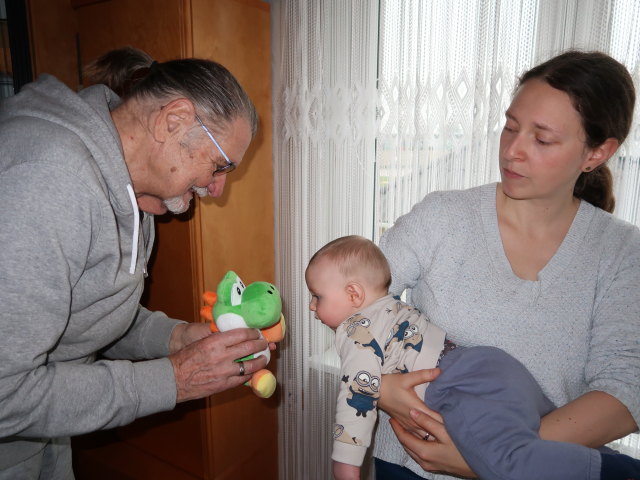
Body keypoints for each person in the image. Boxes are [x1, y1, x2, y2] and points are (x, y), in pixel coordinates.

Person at [0, 46, 270, 479]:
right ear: (173, 120)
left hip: (42, 433)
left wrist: (177, 338)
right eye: (219, 166)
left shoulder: (139, 197)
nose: (217, 189)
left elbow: (88, 315)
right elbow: (5, 393)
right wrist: (175, 380)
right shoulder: (45, 182)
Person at [371, 49, 640, 480]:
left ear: (597, 152)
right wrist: (378, 388)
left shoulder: (623, 253)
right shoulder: (442, 217)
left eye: (542, 138)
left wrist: (492, 457)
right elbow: (349, 300)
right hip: (411, 466)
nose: (513, 150)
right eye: (510, 126)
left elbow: (625, 389)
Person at [306, 236, 640, 480]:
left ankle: (615, 471)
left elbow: (358, 396)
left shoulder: (354, 329)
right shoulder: (392, 305)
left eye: (317, 296)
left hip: (454, 388)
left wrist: (346, 463)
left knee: (505, 463)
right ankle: (600, 458)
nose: (311, 306)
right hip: (489, 365)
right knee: (536, 437)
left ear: (353, 294)